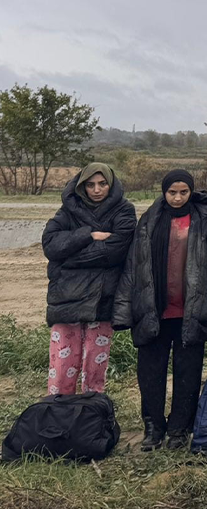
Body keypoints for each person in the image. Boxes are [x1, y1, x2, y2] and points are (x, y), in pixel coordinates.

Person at [114, 170, 207, 451]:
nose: (177, 198)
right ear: (164, 192)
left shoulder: (205, 224)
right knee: (150, 374)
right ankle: (153, 427)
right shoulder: (149, 221)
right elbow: (133, 266)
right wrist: (125, 309)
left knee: (188, 373)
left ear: (191, 192)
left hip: (190, 312)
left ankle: (179, 428)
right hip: (154, 311)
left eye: (183, 192)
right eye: (172, 192)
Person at [41, 163, 136, 395]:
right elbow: (51, 246)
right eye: (91, 184)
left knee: (95, 368)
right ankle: (58, 416)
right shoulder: (67, 210)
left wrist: (69, 260)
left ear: (111, 184)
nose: (97, 189)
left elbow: (116, 250)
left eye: (102, 184)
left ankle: (91, 417)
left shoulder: (124, 211)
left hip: (102, 300)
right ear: (82, 186)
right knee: (62, 368)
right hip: (66, 300)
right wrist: (88, 235)